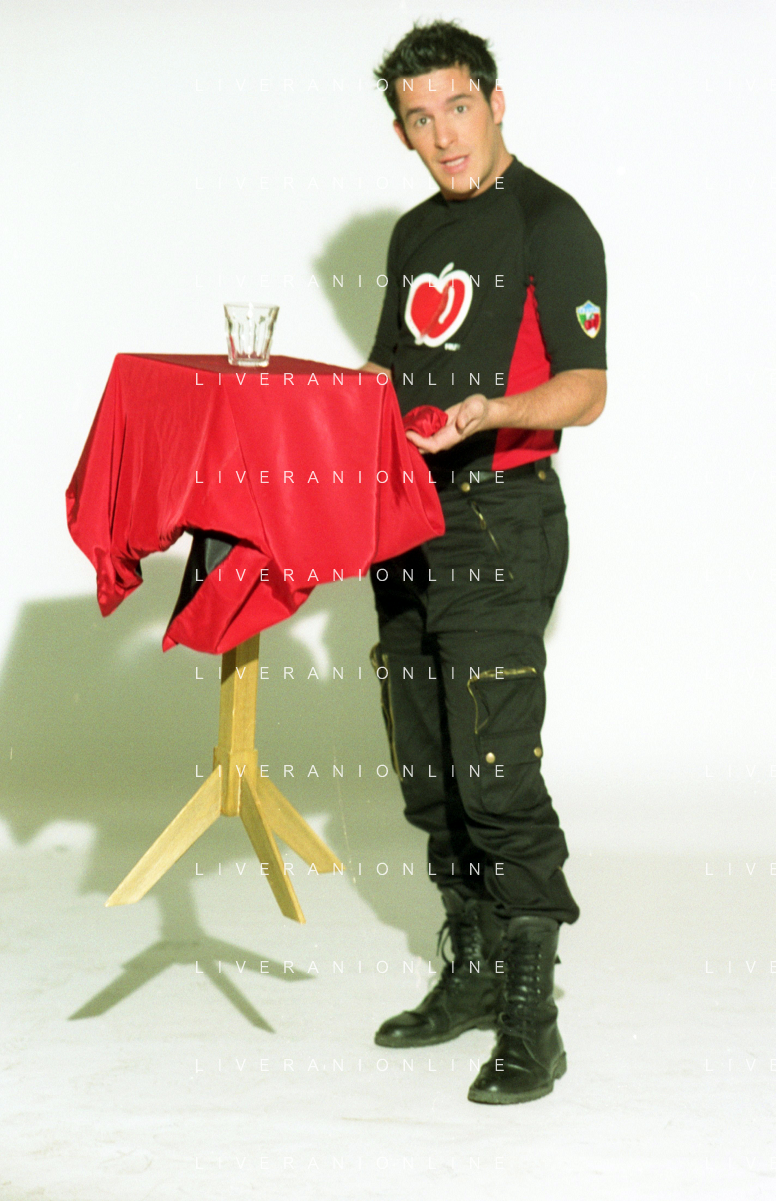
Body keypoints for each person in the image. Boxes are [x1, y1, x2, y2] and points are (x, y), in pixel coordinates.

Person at [361, 20, 607, 1104]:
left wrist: (491, 411)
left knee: (496, 774)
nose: (444, 135)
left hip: (500, 517)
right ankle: (467, 973)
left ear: (495, 102)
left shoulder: (552, 221)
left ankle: (531, 1019)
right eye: (420, 119)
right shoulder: (413, 233)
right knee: (429, 772)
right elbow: (386, 369)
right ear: (403, 133)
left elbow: (587, 388)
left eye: (457, 107)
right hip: (403, 518)